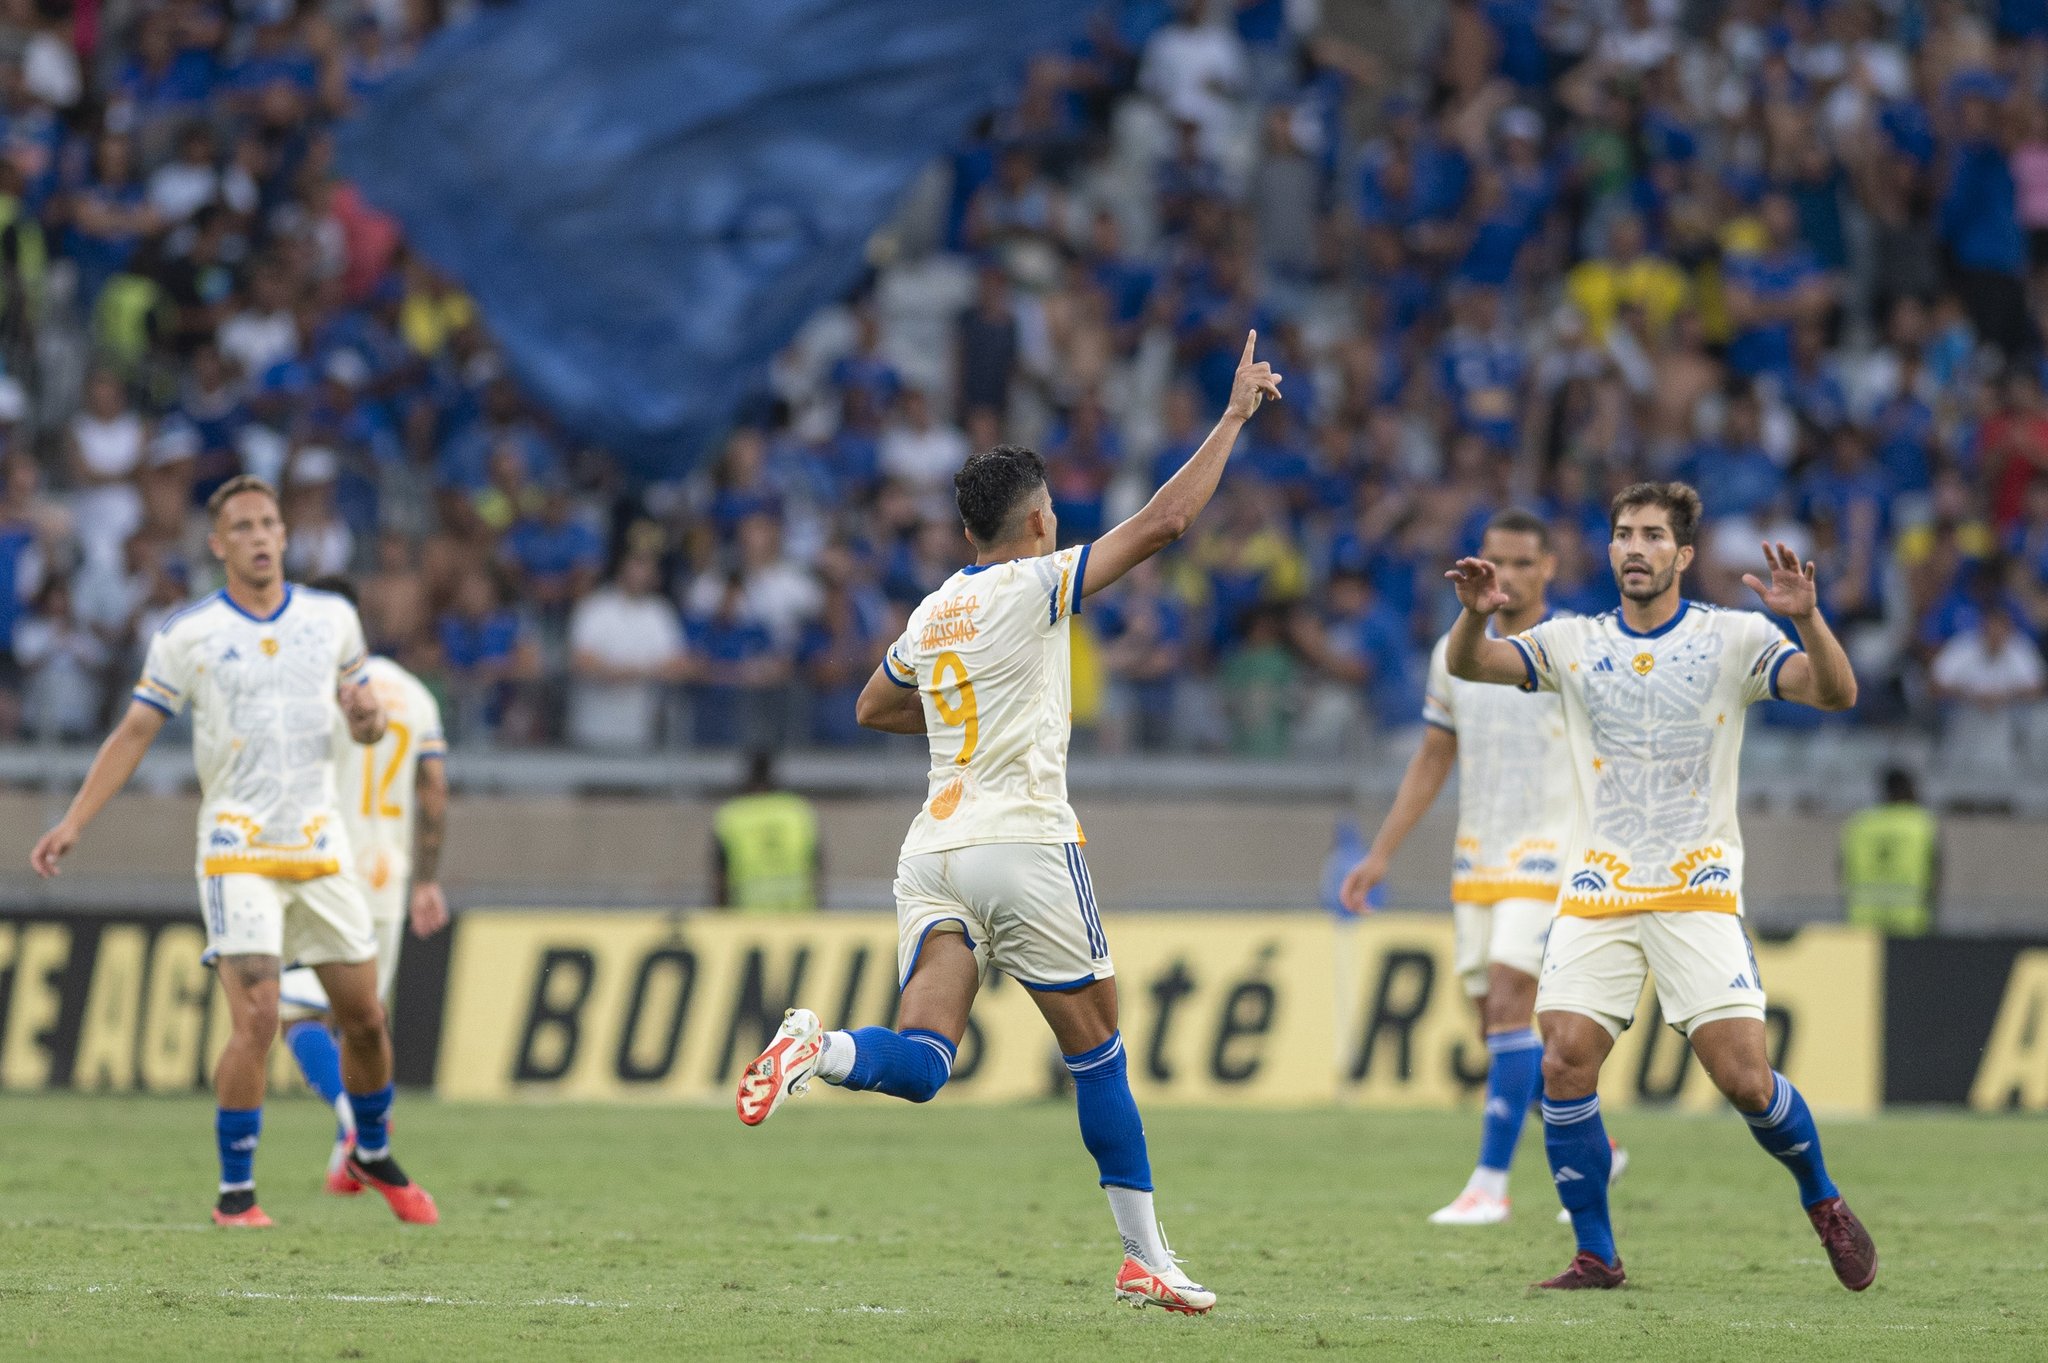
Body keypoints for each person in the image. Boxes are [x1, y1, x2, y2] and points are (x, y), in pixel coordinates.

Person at [734, 331, 1284, 1316]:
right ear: (1037, 518)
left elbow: (872, 704)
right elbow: (1163, 523)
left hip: (930, 850)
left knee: (924, 1060)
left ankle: (816, 1049)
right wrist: (1234, 414)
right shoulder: (1035, 585)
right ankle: (1143, 1256)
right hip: (1021, 840)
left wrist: (953, 719)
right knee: (1098, 1050)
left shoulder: (933, 608)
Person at [1441, 481, 1875, 1292]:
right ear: (1608, 552)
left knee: (1745, 1078)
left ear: (1682, 555)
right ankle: (1597, 1253)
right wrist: (1474, 612)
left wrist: (1807, 618)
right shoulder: (1569, 641)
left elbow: (1837, 692)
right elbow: (1473, 664)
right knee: (1563, 1060)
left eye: (1650, 535)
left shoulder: (1735, 637)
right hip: (1598, 888)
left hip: (1697, 889)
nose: (1634, 547)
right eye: (1621, 534)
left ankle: (1822, 1196)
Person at [29, 476, 436, 1229]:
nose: (258, 535)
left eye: (269, 523)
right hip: (237, 848)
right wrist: (75, 820)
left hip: (319, 846)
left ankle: (371, 1150)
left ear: (285, 536)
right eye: (242, 525)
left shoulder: (332, 620)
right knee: (256, 1017)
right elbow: (134, 732)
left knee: (367, 1019)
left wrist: (369, 718)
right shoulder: (188, 634)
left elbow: (366, 726)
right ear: (218, 544)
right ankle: (236, 1195)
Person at [1340, 509, 1628, 1226]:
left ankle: (1489, 1185)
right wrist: (1380, 853)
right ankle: (1600, 1149)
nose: (1509, 574)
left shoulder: (1575, 647)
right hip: (1478, 859)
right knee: (1497, 1027)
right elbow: (1435, 755)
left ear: (1550, 567)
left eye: (1525, 562)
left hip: (1554, 857)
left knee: (1507, 1001)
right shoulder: (1454, 651)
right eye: (1496, 560)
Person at [275, 576, 452, 1193]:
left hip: (322, 868)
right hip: (388, 877)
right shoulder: (414, 695)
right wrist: (427, 880)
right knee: (362, 1022)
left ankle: (353, 1121)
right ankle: (345, 1163)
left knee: (297, 1011)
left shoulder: (313, 691)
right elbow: (433, 794)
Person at [711, 750, 822, 913]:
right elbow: (816, 873)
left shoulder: (732, 816)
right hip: (797, 918)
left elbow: (720, 880)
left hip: (748, 919)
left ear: (746, 776)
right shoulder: (798, 812)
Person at [1839, 767, 1939, 937]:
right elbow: (1935, 874)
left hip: (1863, 923)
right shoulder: (1921, 824)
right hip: (1911, 924)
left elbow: (1842, 869)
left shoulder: (1859, 825)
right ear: (1908, 789)